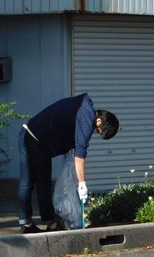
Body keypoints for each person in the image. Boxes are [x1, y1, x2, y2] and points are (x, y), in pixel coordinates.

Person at [18, 93, 119, 234]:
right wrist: (82, 183)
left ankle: (26, 224)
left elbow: (66, 126)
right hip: (37, 141)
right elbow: (79, 157)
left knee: (27, 182)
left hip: (26, 131)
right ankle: (50, 224)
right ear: (99, 122)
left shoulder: (83, 107)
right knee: (43, 183)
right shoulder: (86, 119)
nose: (95, 132)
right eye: (98, 131)